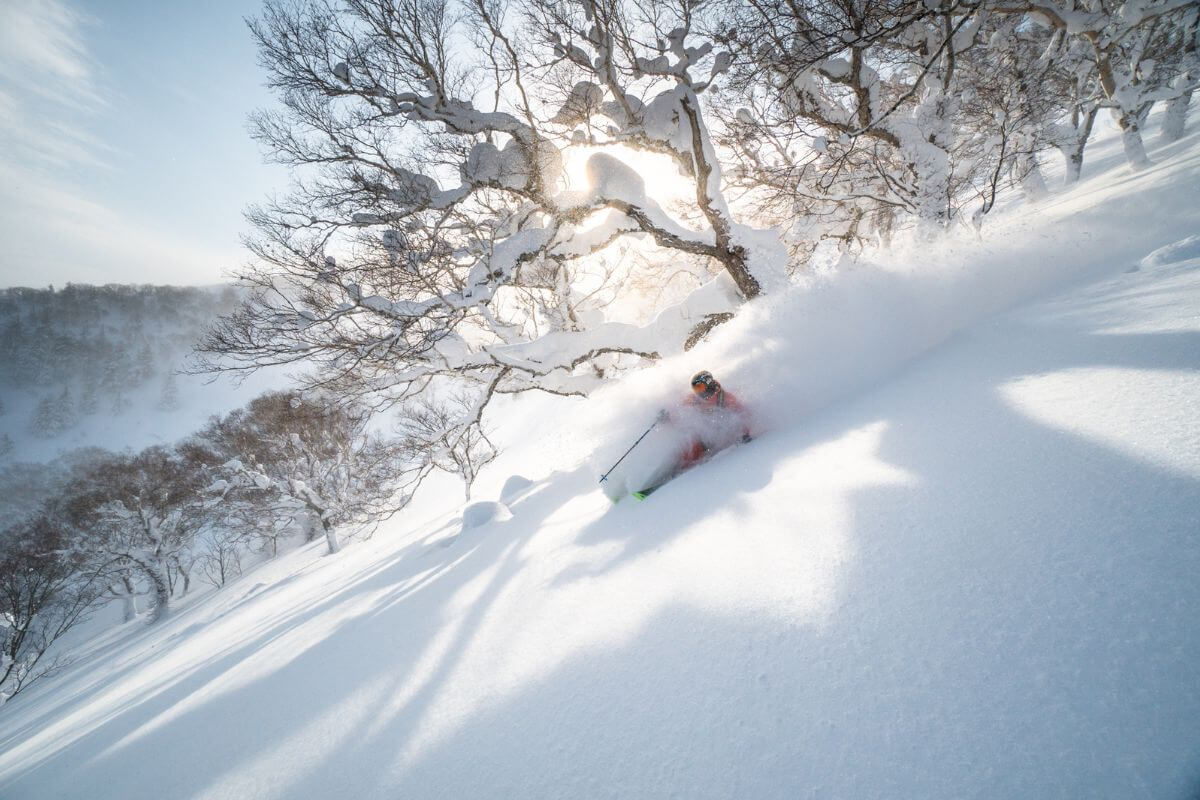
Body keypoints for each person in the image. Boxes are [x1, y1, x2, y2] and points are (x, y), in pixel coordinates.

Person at [658, 370, 752, 471]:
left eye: (700, 387)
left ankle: (687, 474)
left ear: (708, 384)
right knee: (690, 446)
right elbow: (681, 411)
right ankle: (676, 470)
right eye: (695, 389)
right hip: (704, 434)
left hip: (721, 436)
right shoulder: (693, 399)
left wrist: (745, 433)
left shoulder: (725, 399)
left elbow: (742, 414)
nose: (697, 392)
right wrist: (667, 417)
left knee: (695, 449)